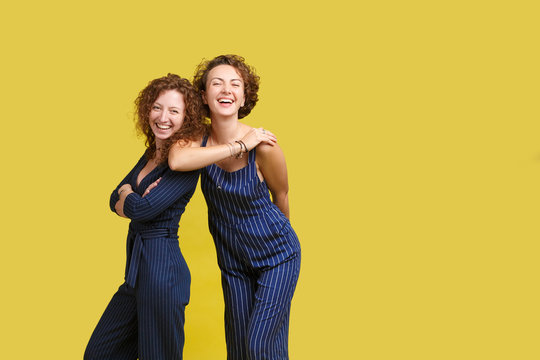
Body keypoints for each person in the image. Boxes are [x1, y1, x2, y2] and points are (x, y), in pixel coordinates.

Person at [168, 55, 301, 360]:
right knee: (239, 352)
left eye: (235, 84)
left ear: (243, 97)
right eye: (217, 83)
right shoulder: (196, 141)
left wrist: (277, 245)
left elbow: (281, 195)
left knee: (260, 346)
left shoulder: (266, 147)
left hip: (278, 257)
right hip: (234, 264)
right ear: (204, 96)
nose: (226, 90)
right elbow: (176, 160)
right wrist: (239, 146)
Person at [84, 74, 206, 360]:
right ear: (147, 110)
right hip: (137, 273)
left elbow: (141, 209)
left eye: (174, 111)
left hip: (163, 274)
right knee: (100, 353)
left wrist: (129, 196)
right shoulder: (153, 151)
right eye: (157, 107)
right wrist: (128, 195)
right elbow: (114, 196)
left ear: (186, 118)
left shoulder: (186, 162)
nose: (163, 117)